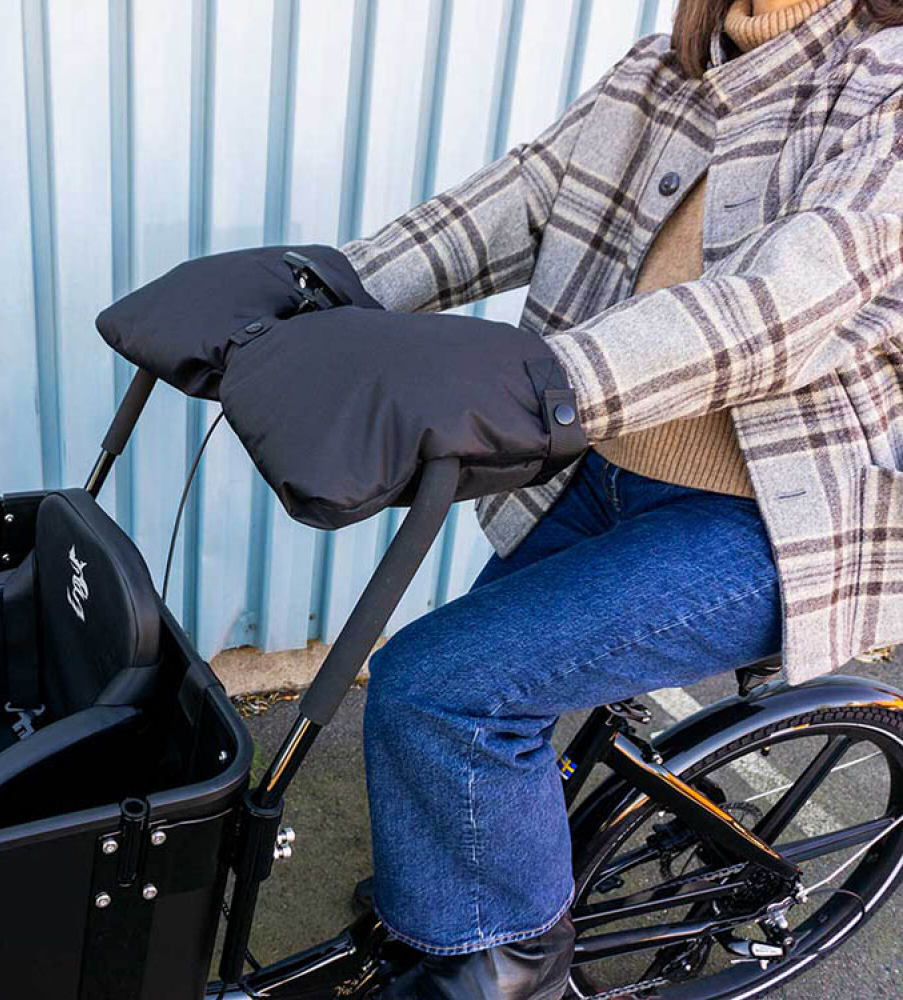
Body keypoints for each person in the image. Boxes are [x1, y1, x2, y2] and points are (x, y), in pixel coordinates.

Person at [328, 1, 903, 997]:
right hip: (600, 469)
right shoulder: (658, 74)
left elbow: (775, 306)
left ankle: (512, 974)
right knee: (477, 690)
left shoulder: (884, 91)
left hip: (771, 519)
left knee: (445, 688)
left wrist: (546, 383)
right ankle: (474, 888)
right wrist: (320, 288)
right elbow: (508, 202)